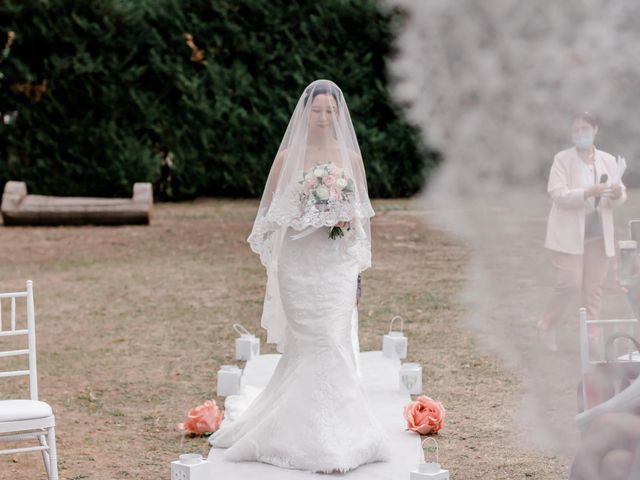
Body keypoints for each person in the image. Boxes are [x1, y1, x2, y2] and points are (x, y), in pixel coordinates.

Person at [208, 79, 391, 472]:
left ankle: (346, 434)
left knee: (333, 340)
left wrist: (340, 215)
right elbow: (275, 214)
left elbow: (360, 213)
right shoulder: (288, 156)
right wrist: (312, 210)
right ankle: (299, 434)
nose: (324, 117)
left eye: (330, 111)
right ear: (305, 112)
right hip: (300, 265)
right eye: (317, 110)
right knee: (310, 343)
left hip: (335, 265)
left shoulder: (351, 159)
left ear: (338, 115)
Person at [537, 112, 627, 352]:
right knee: (570, 284)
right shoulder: (562, 160)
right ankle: (547, 324)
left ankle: (592, 337)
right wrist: (589, 191)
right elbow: (558, 195)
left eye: (585, 129)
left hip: (598, 236)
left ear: (595, 130)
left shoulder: (607, 160)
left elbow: (619, 192)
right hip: (568, 237)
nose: (580, 135)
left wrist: (617, 194)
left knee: (594, 290)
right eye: (576, 130)